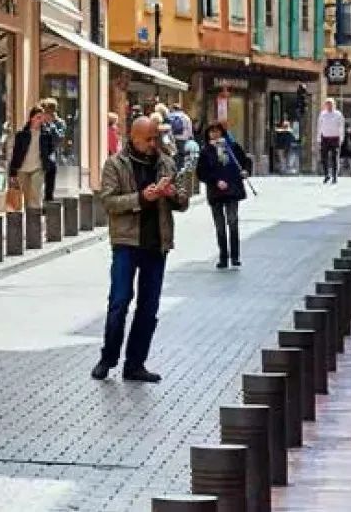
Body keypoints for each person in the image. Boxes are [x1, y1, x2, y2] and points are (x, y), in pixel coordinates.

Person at [91, 117, 189, 383]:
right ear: (133, 138)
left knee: (149, 307)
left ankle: (135, 364)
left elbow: (183, 201)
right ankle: (108, 358)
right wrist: (141, 198)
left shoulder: (166, 163)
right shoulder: (115, 164)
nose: (153, 143)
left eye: (155, 138)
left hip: (156, 244)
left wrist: (171, 194)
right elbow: (108, 202)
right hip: (126, 243)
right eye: (148, 139)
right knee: (119, 301)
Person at [197, 122, 253, 269]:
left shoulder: (232, 147)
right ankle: (223, 257)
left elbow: (245, 161)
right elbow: (201, 172)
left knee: (233, 222)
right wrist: (215, 181)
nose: (215, 134)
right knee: (220, 226)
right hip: (215, 192)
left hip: (232, 190)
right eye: (212, 132)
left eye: (217, 131)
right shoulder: (206, 151)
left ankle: (235, 256)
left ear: (222, 132)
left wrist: (245, 171)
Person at [9, 106, 56, 210]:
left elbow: (51, 150)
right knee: (26, 197)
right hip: (23, 169)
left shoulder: (46, 134)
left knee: (36, 194)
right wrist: (12, 173)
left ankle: (35, 215)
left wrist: (47, 163)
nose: (40, 120)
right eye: (38, 117)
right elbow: (16, 154)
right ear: (32, 118)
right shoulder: (21, 135)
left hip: (38, 168)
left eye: (42, 118)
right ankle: (30, 217)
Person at [41, 98, 64, 201]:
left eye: (50, 110)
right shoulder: (39, 121)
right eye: (46, 110)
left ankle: (48, 200)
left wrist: (51, 125)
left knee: (49, 183)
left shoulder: (59, 123)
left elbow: (58, 139)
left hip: (50, 157)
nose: (47, 113)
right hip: (37, 156)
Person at [317, 98, 345, 184]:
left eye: (330, 104)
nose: (329, 106)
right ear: (325, 105)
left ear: (334, 105)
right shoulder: (322, 114)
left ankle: (335, 176)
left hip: (335, 138)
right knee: (324, 158)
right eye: (327, 104)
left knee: (334, 158)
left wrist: (341, 138)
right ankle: (326, 175)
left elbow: (341, 126)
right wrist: (318, 138)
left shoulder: (338, 114)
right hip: (325, 137)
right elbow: (319, 126)